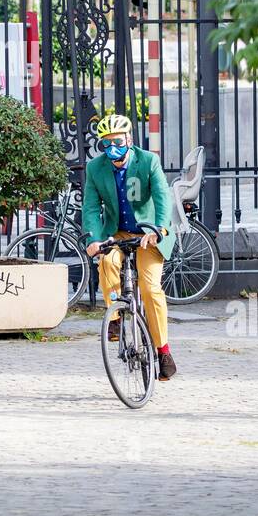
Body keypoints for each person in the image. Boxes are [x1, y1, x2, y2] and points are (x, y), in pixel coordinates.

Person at [81, 113, 179, 380]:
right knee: (108, 262)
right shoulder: (95, 168)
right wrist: (93, 239)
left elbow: (162, 198)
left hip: (148, 234)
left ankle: (163, 351)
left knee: (150, 289)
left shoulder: (148, 161)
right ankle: (117, 317)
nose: (114, 148)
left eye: (118, 141)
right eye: (107, 143)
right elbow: (90, 207)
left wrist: (158, 230)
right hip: (116, 232)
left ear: (129, 139)